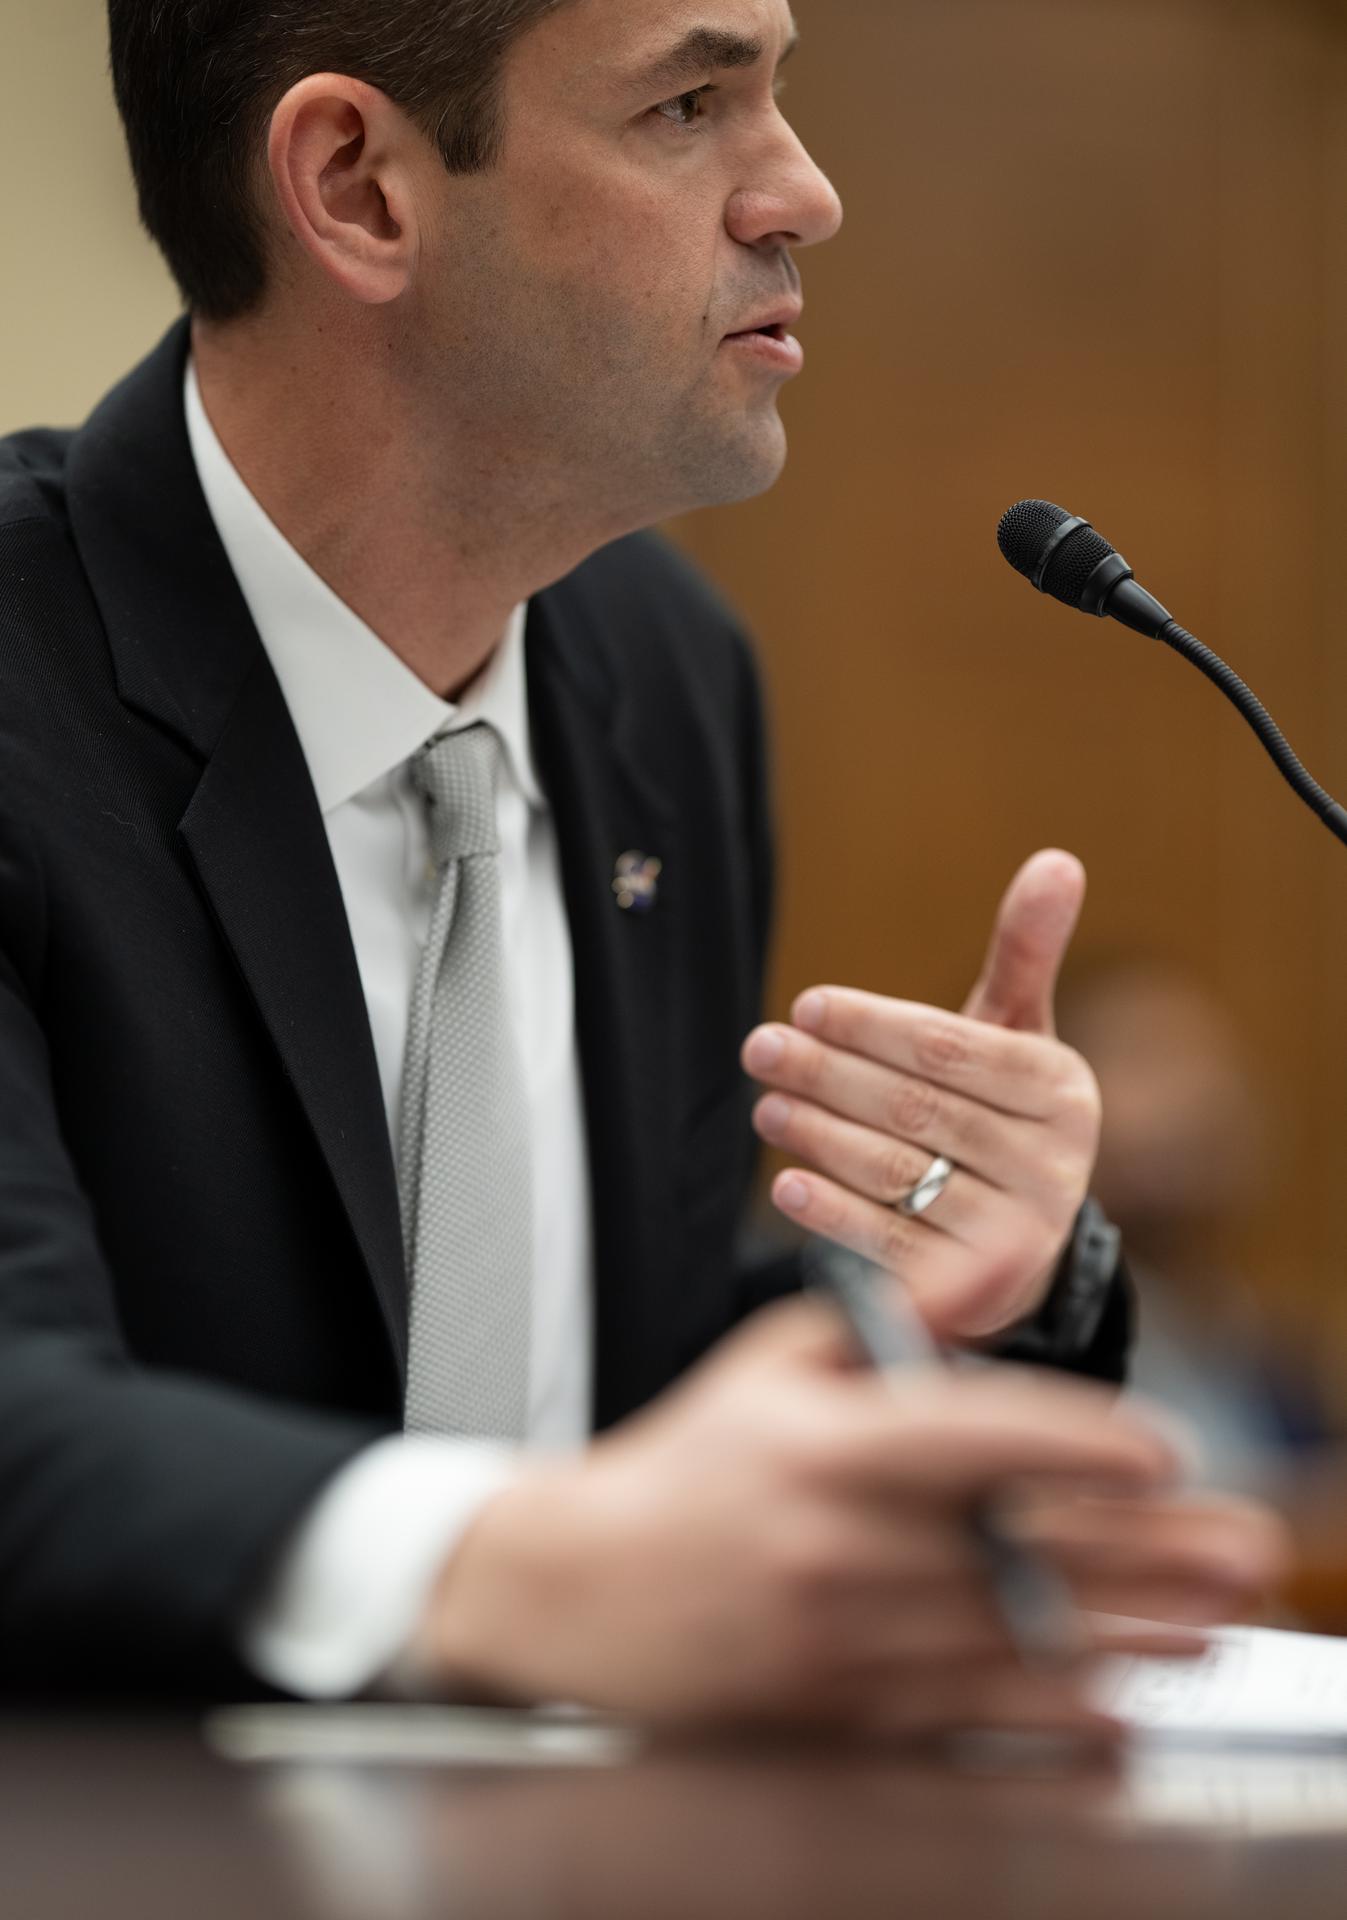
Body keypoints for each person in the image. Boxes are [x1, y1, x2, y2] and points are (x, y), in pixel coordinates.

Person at [0, 0, 1281, 1731]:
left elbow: (628, 1376)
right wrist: (517, 1571)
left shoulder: (665, 674)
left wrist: (955, 1281)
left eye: (779, 94)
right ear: (360, 188)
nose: (804, 194)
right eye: (690, 105)